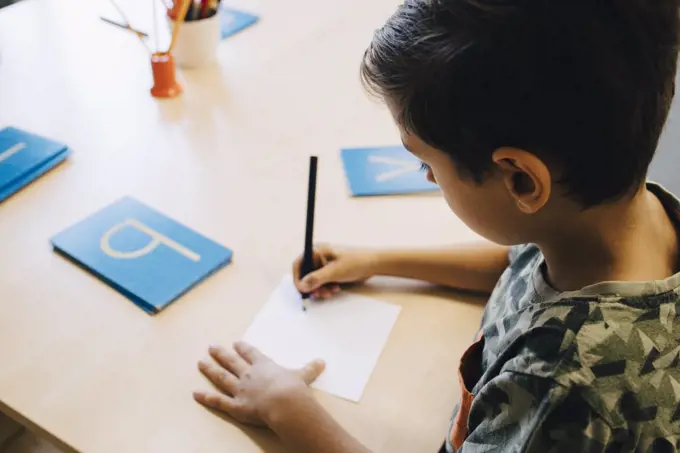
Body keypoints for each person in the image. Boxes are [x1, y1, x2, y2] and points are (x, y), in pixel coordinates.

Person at [192, 0, 680, 451]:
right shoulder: (622, 217)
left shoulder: (562, 385)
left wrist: (290, 413)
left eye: (425, 162)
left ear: (521, 181)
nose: (425, 176)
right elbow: (515, 267)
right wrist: (380, 261)